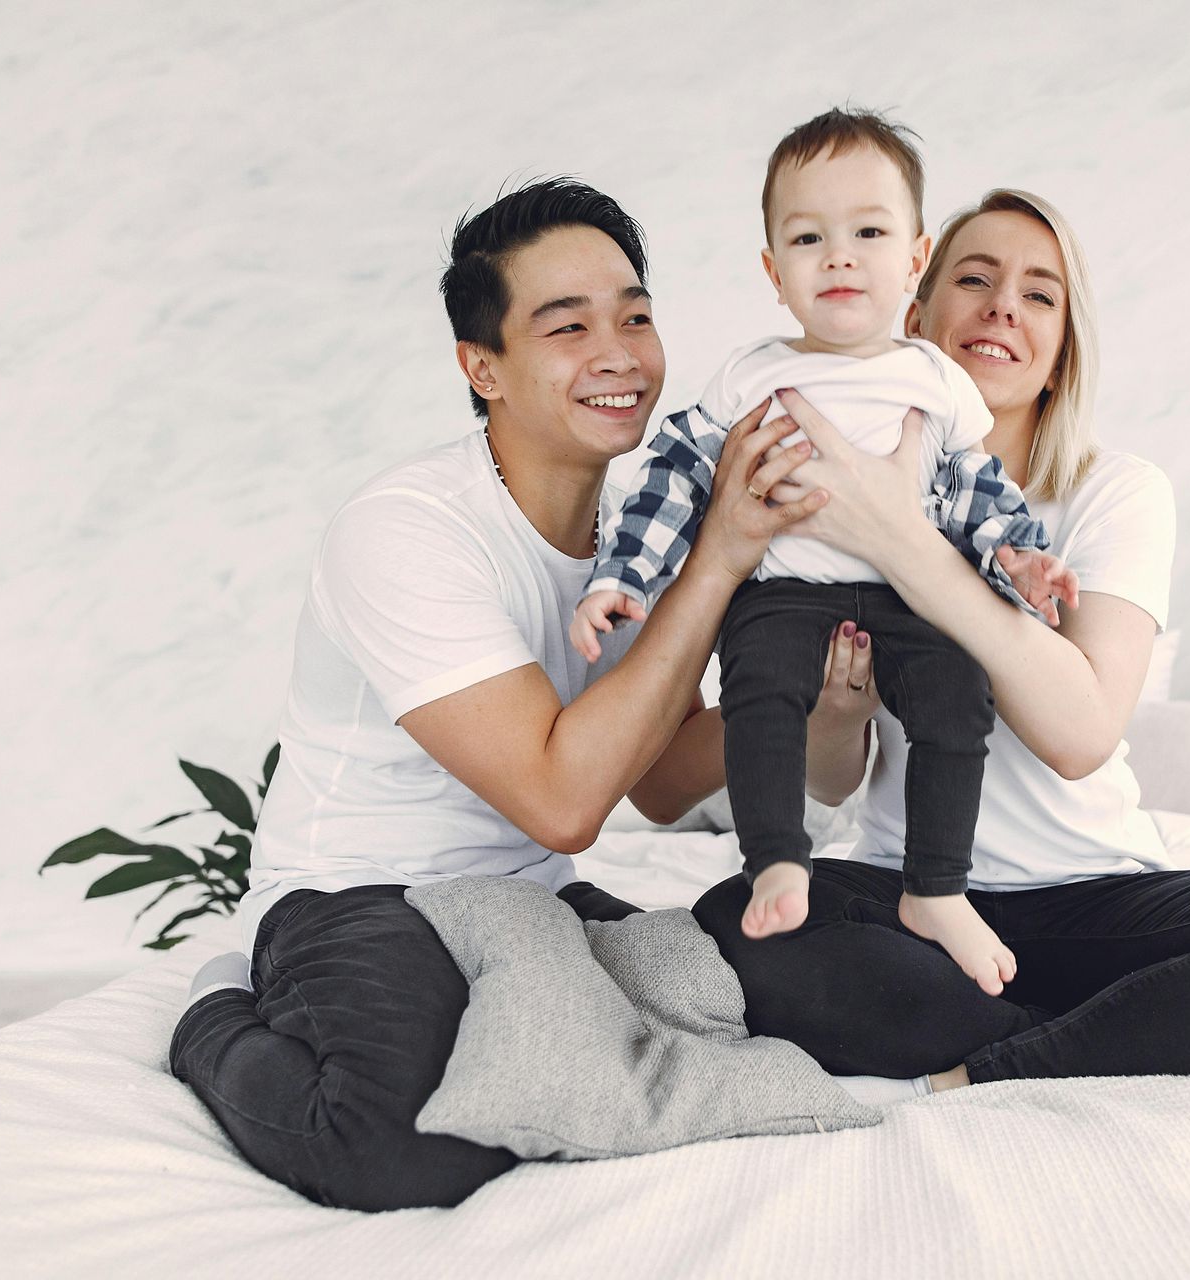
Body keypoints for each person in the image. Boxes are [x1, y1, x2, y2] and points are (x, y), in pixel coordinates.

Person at [167, 178, 831, 1211]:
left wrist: (824, 692)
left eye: (635, 318)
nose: (618, 355)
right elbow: (562, 801)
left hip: (533, 899)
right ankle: (210, 1015)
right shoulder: (408, 530)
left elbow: (660, 783)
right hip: (361, 893)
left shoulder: (637, 533)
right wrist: (719, 561)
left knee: (804, 1000)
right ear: (483, 367)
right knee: (401, 1143)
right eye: (568, 328)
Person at [693, 189, 1190, 1096]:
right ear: (915, 313)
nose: (1003, 307)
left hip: (1089, 896)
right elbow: (833, 782)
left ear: (1063, 344)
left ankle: (1002, 1056)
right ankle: (1102, 1031)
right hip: (908, 897)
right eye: (975, 280)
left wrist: (904, 542)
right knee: (733, 920)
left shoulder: (1115, 492)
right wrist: (837, 710)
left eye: (1039, 294)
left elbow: (1080, 736)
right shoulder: (827, 484)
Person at [573, 109, 1076, 995]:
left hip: (911, 599)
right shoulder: (752, 376)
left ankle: (936, 888)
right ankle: (777, 859)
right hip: (787, 594)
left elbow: (976, 492)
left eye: (868, 234)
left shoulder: (936, 381)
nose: (839, 257)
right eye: (809, 238)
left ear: (914, 260)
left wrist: (1020, 561)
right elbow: (677, 474)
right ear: (775, 272)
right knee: (760, 693)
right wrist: (623, 577)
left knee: (959, 697)